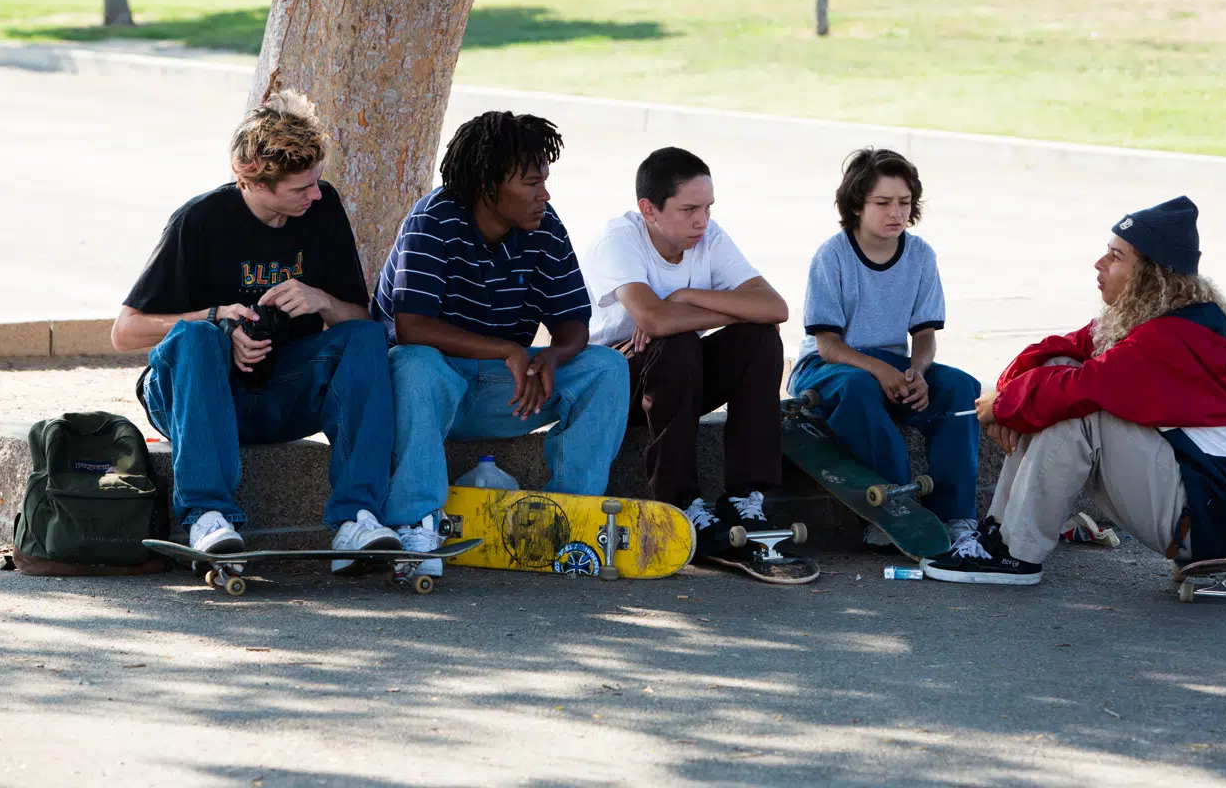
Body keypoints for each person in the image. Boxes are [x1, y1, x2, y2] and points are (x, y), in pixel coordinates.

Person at [112, 91, 401, 569]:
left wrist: (322, 300)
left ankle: (357, 519)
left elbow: (362, 321)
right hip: (197, 395)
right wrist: (216, 319)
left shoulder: (323, 208)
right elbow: (125, 331)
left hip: (279, 393)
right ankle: (208, 517)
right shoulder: (200, 220)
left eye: (316, 182)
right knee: (196, 337)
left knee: (366, 339)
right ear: (253, 180)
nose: (314, 194)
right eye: (299, 188)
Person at [923, 196, 1226, 585]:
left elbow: (1083, 389)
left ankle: (1016, 556)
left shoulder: (1172, 340)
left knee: (1080, 410)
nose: (1100, 264)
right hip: (1193, 504)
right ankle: (999, 538)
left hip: (1204, 521)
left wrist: (1006, 405)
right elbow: (1059, 350)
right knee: (1057, 372)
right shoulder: (1157, 319)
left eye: (1116, 257)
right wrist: (1008, 397)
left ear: (1151, 275)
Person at [373, 111, 629, 577]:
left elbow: (573, 323)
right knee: (411, 362)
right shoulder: (434, 218)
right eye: (531, 183)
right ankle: (416, 525)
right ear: (488, 185)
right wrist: (509, 351)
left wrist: (555, 354)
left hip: (504, 389)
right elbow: (411, 327)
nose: (544, 194)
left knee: (606, 367)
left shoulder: (544, 226)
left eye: (544, 181)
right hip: (428, 392)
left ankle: (574, 516)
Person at [582, 147, 790, 558]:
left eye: (708, 207)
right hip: (612, 385)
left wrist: (685, 297)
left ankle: (744, 498)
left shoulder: (708, 237)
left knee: (760, 338)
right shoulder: (620, 239)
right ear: (649, 209)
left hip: (680, 379)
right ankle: (679, 503)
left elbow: (774, 308)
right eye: (689, 209)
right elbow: (654, 321)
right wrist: (710, 311)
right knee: (676, 343)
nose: (703, 220)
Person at [787, 148, 982, 554]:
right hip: (828, 367)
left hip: (889, 366)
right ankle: (894, 507)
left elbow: (925, 334)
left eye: (904, 202)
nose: (896, 212)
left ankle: (956, 514)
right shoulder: (833, 255)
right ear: (857, 205)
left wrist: (918, 372)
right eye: (883, 203)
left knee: (962, 387)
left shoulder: (921, 255)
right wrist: (879, 370)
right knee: (860, 385)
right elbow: (827, 344)